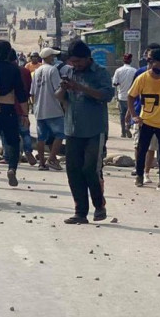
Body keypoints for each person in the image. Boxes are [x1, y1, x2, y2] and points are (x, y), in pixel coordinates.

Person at [56, 40, 114, 223]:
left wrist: (81, 87)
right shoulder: (69, 72)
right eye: (73, 62)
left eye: (78, 62)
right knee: (73, 170)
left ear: (87, 58)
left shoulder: (100, 73)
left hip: (94, 130)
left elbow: (106, 95)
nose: (76, 65)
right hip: (72, 129)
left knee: (90, 169)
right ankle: (80, 212)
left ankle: (99, 206)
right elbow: (59, 97)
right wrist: (63, 89)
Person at [127, 48, 160, 191]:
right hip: (146, 120)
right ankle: (139, 175)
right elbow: (131, 97)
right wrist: (133, 115)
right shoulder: (142, 78)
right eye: (157, 64)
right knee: (142, 150)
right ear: (151, 62)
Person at [0, 41, 29, 188]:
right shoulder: (13, 69)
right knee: (13, 141)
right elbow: (21, 93)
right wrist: (25, 115)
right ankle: (12, 168)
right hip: (9, 109)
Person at [30, 47, 64, 171]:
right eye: (53, 56)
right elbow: (58, 90)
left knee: (41, 137)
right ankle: (52, 158)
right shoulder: (53, 70)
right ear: (49, 57)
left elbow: (32, 92)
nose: (54, 58)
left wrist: (34, 106)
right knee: (60, 134)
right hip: (53, 109)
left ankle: (41, 164)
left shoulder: (37, 71)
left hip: (39, 109)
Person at [111, 53, 138, 138]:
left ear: (123, 60)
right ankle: (128, 127)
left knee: (122, 114)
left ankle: (123, 132)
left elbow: (114, 83)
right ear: (131, 60)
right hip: (132, 96)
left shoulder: (118, 70)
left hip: (121, 96)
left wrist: (120, 84)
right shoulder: (134, 71)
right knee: (130, 113)